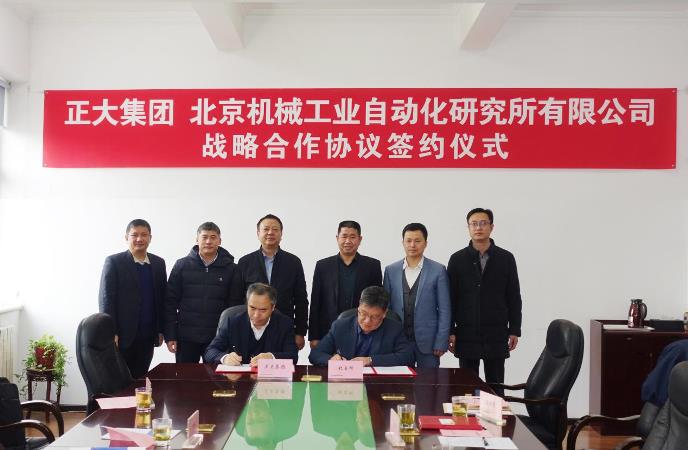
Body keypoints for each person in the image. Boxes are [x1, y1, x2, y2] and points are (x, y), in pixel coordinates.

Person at [447, 208, 522, 388]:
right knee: (467, 387)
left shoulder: (506, 258)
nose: (478, 228)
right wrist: (450, 331)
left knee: (495, 387)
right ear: (468, 227)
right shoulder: (457, 259)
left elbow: (513, 296)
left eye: (483, 223)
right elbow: (450, 299)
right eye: (474, 224)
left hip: (496, 332)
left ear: (491, 227)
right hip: (466, 332)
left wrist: (514, 329)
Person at [164, 222, 243, 363]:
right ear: (197, 240)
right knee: (186, 376)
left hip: (217, 338)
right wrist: (170, 335)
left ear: (219, 241)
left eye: (213, 237)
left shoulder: (232, 269)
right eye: (204, 237)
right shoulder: (182, 265)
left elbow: (234, 306)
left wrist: (232, 337)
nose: (208, 241)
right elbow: (170, 302)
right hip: (186, 337)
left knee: (215, 376)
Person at [98, 219, 167, 378]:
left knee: (140, 378)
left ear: (150, 238)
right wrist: (111, 331)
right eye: (134, 235)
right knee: (119, 379)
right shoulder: (114, 262)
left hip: (148, 335)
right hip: (122, 336)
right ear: (126, 237)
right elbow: (106, 299)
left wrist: (160, 329)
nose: (139, 239)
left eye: (144, 235)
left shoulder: (158, 263)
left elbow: (162, 298)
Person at [383, 223, 451, 368]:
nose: (412, 245)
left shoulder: (438, 270)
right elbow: (386, 309)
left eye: (417, 241)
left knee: (429, 381)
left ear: (425, 243)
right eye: (408, 240)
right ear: (403, 242)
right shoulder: (390, 270)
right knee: (400, 381)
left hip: (429, 342)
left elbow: (445, 309)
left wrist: (441, 341)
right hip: (398, 341)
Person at [238, 214, 308, 351]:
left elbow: (301, 300)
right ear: (258, 233)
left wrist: (300, 332)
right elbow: (238, 299)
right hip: (251, 327)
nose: (270, 232)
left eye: (275, 229)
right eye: (266, 229)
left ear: (281, 234)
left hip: (283, 328)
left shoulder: (293, 262)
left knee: (281, 362)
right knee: (251, 362)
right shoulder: (245, 262)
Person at [308, 220, 382, 349]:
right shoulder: (323, 266)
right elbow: (315, 303)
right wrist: (314, 336)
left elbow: (377, 303)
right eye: (344, 236)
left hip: (363, 332)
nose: (348, 241)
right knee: (329, 361)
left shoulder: (372, 266)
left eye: (352, 237)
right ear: (337, 238)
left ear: (360, 239)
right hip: (329, 331)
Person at [309, 286, 413, 367]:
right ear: (359, 306)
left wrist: (370, 360)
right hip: (346, 383)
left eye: (374, 316)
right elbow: (315, 354)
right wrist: (331, 359)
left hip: (377, 382)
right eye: (363, 313)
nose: (367, 321)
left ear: (384, 313)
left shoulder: (394, 329)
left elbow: (407, 357)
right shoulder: (340, 326)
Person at [204, 282, 298, 365]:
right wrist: (225, 358)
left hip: (269, 378)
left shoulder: (284, 324)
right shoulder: (233, 322)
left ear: (273, 307)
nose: (256, 315)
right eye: (252, 308)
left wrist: (271, 357)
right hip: (238, 377)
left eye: (262, 310)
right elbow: (210, 351)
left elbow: (293, 356)